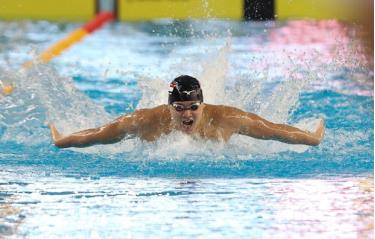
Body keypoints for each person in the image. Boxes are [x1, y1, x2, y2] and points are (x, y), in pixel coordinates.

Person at [49, 75, 325, 148]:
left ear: (203, 105)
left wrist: (311, 138)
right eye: (179, 108)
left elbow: (276, 130)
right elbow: (99, 134)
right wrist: (64, 140)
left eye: (193, 107)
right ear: (169, 107)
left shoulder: (229, 119)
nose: (187, 114)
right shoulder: (145, 121)